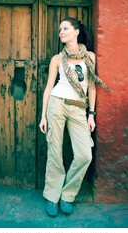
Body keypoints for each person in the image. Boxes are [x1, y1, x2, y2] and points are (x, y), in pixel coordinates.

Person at [39, 17, 111, 217]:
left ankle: (67, 195)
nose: (61, 32)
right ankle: (52, 197)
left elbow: (91, 87)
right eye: (60, 29)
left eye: (65, 28)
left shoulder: (90, 56)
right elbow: (48, 88)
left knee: (84, 155)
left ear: (76, 31)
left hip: (79, 108)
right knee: (55, 153)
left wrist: (91, 114)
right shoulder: (56, 59)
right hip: (57, 104)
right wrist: (43, 115)